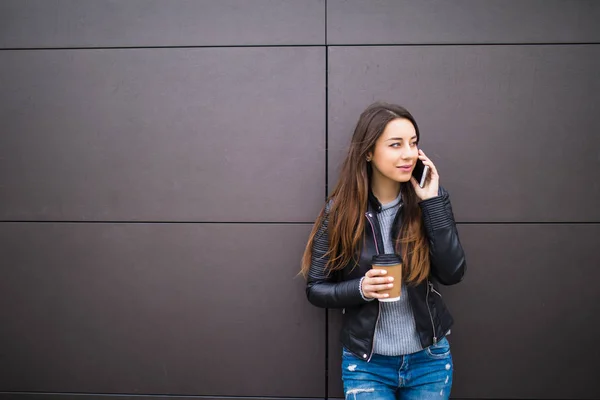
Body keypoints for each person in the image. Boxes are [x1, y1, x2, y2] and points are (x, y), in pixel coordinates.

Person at [300, 102, 467, 399]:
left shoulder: (430, 200)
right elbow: (316, 288)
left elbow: (452, 273)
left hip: (429, 360)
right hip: (367, 364)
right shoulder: (340, 212)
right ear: (368, 152)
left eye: (413, 143)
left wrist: (432, 203)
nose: (408, 153)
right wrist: (362, 288)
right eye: (395, 144)